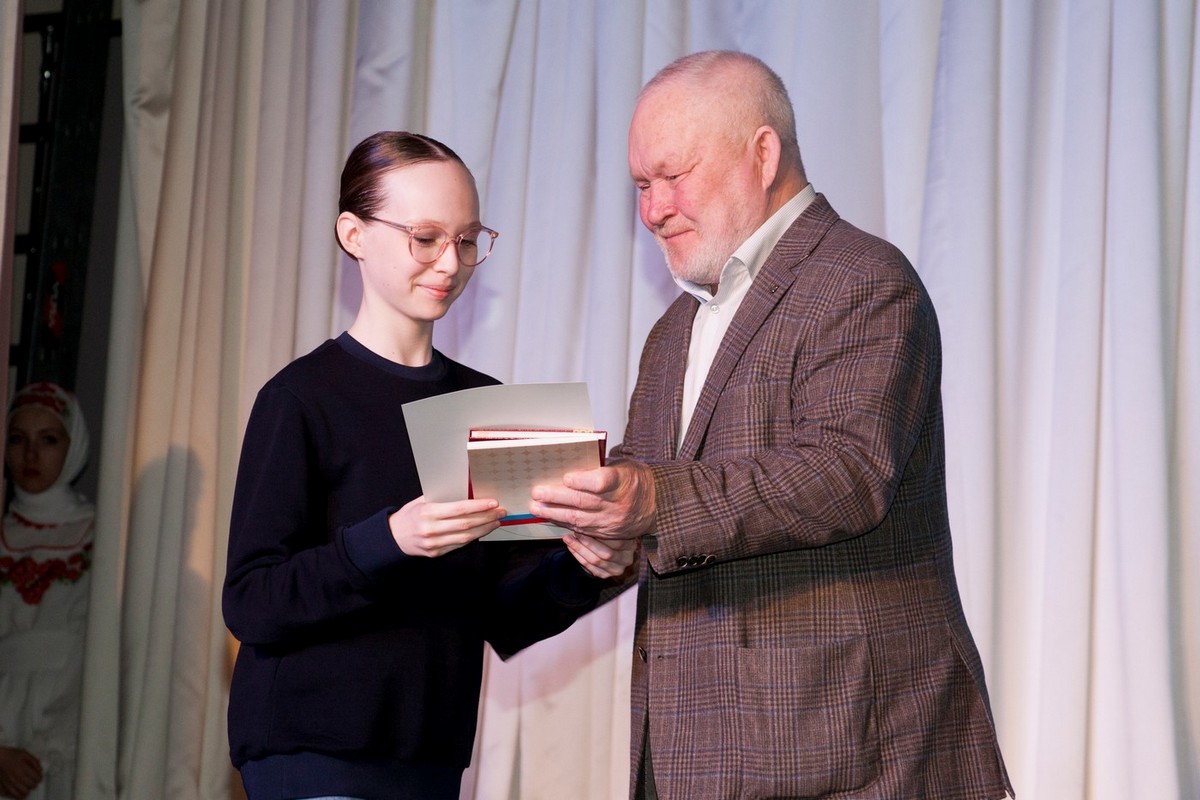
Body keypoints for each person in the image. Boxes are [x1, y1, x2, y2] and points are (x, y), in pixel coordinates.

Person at [530, 51, 1015, 799]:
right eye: (641, 185)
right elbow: (657, 495)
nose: (654, 209)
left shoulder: (865, 280)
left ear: (762, 155)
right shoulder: (673, 330)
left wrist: (650, 500)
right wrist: (605, 534)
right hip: (694, 757)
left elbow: (844, 472)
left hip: (850, 754)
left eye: (673, 175)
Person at [222, 130, 634, 800]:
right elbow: (251, 601)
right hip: (313, 751)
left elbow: (505, 613)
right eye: (426, 238)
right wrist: (389, 540)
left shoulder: (486, 404)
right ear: (353, 234)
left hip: (430, 759)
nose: (451, 262)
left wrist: (591, 568)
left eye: (467, 240)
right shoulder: (300, 398)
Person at [0, 381, 94, 800]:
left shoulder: (101, 537)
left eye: (49, 439)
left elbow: (99, 646)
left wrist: (50, 743)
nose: (31, 455)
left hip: (72, 720)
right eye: (18, 439)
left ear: (73, 446)